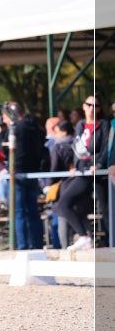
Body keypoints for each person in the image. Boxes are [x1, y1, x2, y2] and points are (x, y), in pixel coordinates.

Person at [56, 95, 110, 250]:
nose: (92, 108)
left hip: (98, 173)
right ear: (84, 106)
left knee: (105, 210)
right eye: (89, 105)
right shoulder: (80, 124)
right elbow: (77, 147)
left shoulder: (104, 125)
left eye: (96, 106)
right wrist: (74, 166)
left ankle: (110, 244)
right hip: (83, 172)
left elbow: (107, 147)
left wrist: (98, 164)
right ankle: (84, 236)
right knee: (64, 203)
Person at [0, 101, 46, 250]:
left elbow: (7, 151)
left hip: (18, 173)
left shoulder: (16, 128)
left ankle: (22, 246)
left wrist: (1, 134)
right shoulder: (33, 125)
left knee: (19, 211)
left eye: (5, 117)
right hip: (31, 173)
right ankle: (36, 244)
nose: (3, 120)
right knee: (32, 210)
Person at [47, 119, 75, 249]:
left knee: (60, 219)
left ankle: (61, 247)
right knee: (79, 217)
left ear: (64, 132)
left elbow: (54, 167)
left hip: (61, 185)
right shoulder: (77, 143)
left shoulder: (58, 146)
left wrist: (49, 183)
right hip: (76, 184)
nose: (56, 135)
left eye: (57, 132)